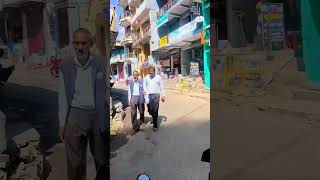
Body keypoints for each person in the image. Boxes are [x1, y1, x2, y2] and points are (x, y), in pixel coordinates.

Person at [58, 28, 108, 180]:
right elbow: (62, 96)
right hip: (74, 115)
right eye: (76, 43)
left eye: (84, 43)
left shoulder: (101, 63)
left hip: (97, 115)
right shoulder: (65, 65)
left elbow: (107, 89)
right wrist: (62, 123)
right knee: (74, 162)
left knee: (101, 159)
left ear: (90, 44)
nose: (80, 47)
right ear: (73, 44)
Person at [144, 66, 165, 132]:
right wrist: (145, 95)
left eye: (152, 73)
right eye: (150, 73)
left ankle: (155, 125)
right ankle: (153, 116)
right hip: (149, 95)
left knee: (155, 110)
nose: (150, 74)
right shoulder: (147, 77)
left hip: (156, 95)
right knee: (150, 110)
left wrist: (163, 95)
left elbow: (162, 86)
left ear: (154, 72)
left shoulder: (158, 78)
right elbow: (144, 86)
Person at [128, 70, 145, 135]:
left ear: (138, 75)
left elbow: (144, 89)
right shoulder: (130, 82)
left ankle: (142, 121)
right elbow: (129, 91)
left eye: (136, 75)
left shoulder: (141, 81)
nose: (135, 76)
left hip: (140, 97)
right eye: (134, 75)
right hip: (133, 97)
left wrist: (145, 98)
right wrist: (129, 100)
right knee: (133, 113)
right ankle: (134, 128)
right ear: (133, 75)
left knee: (141, 111)